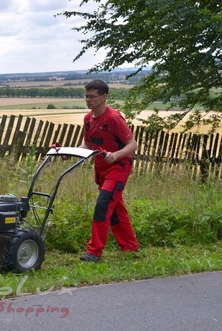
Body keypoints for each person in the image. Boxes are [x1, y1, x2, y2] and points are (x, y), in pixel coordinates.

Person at [78, 79, 139, 262]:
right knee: (115, 209)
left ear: (104, 97)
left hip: (118, 167)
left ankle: (94, 251)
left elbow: (132, 144)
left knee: (103, 205)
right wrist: (71, 153)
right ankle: (129, 247)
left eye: (92, 97)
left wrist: (116, 155)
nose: (88, 100)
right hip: (102, 169)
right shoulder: (88, 119)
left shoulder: (113, 118)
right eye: (86, 96)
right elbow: (87, 144)